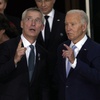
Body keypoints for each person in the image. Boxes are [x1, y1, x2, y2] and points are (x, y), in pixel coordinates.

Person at [0, 7, 49, 100]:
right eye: (29, 19)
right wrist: (14, 60)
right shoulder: (7, 47)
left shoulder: (43, 53)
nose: (33, 24)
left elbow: (44, 86)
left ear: (42, 27)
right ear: (22, 24)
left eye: (37, 20)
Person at [53, 9, 100, 100]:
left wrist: (75, 62)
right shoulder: (61, 48)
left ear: (83, 27)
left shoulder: (96, 49)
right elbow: (59, 79)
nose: (68, 28)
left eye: (72, 24)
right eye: (66, 24)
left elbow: (97, 77)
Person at [35, 0, 68, 99]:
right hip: (38, 78)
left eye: (47, 0)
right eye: (39, 1)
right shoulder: (30, 21)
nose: (43, 4)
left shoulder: (65, 19)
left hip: (60, 77)